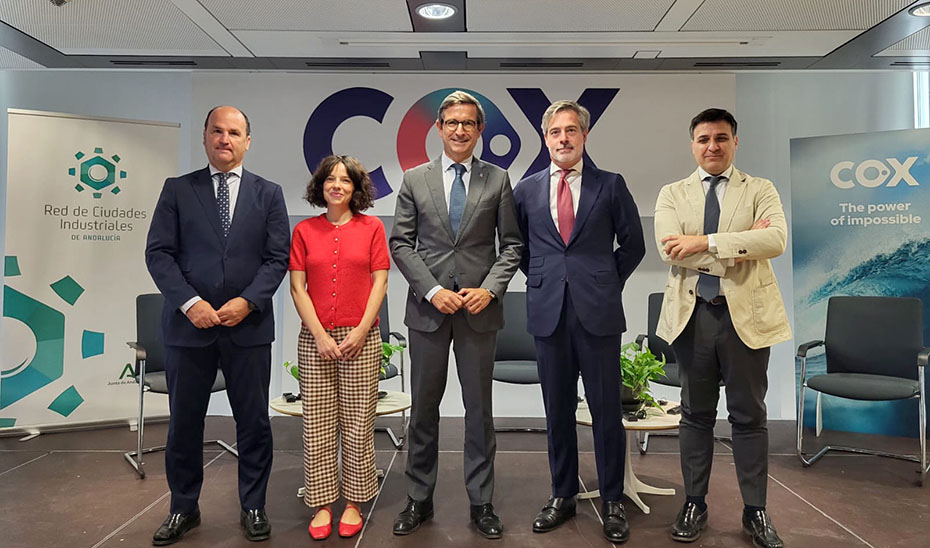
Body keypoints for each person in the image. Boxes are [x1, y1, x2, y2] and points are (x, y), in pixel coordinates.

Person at [145, 105, 290, 545]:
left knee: (253, 423)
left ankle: (253, 505)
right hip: (190, 328)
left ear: (248, 141)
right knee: (185, 424)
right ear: (205, 137)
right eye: (217, 131)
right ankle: (183, 508)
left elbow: (277, 258)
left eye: (234, 132)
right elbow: (159, 254)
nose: (224, 139)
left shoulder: (269, 193)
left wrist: (248, 302)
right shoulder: (177, 189)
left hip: (247, 327)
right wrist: (191, 303)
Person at [654, 108, 791, 548]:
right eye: (703, 139)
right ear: (692, 144)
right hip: (693, 318)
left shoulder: (760, 189)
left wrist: (705, 242)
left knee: (749, 415)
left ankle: (756, 511)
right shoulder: (672, 194)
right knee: (695, 415)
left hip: (745, 318)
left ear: (735, 142)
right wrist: (740, 243)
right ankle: (694, 502)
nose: (712, 146)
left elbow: (775, 240)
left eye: (721, 138)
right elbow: (670, 250)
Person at [389, 90, 522, 539]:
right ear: (439, 129)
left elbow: (513, 246)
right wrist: (430, 291)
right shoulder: (414, 179)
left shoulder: (499, 179)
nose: (460, 130)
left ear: (480, 130)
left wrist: (490, 289)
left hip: (479, 314)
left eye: (468, 123)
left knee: (478, 411)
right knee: (424, 411)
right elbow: (401, 245)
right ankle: (418, 499)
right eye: (452, 123)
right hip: (429, 314)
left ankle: (481, 501)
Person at [513, 100, 645, 544]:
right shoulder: (527, 190)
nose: (563, 139)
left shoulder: (610, 185)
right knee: (557, 411)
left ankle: (611, 500)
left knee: (607, 411)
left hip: (598, 312)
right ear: (545, 138)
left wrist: (603, 280)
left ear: (585, 136)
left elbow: (633, 245)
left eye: (571, 131)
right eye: (555, 132)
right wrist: (546, 279)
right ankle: (562, 495)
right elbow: (520, 249)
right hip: (548, 312)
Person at [288, 155, 389, 540]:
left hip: (360, 338)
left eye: (345, 181)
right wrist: (319, 335)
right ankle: (321, 503)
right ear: (320, 186)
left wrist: (361, 331)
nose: (337, 185)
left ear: (356, 188)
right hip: (316, 339)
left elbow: (379, 283)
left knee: (358, 424)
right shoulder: (304, 232)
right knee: (316, 425)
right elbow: (298, 288)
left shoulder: (373, 228)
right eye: (330, 179)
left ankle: (353, 501)